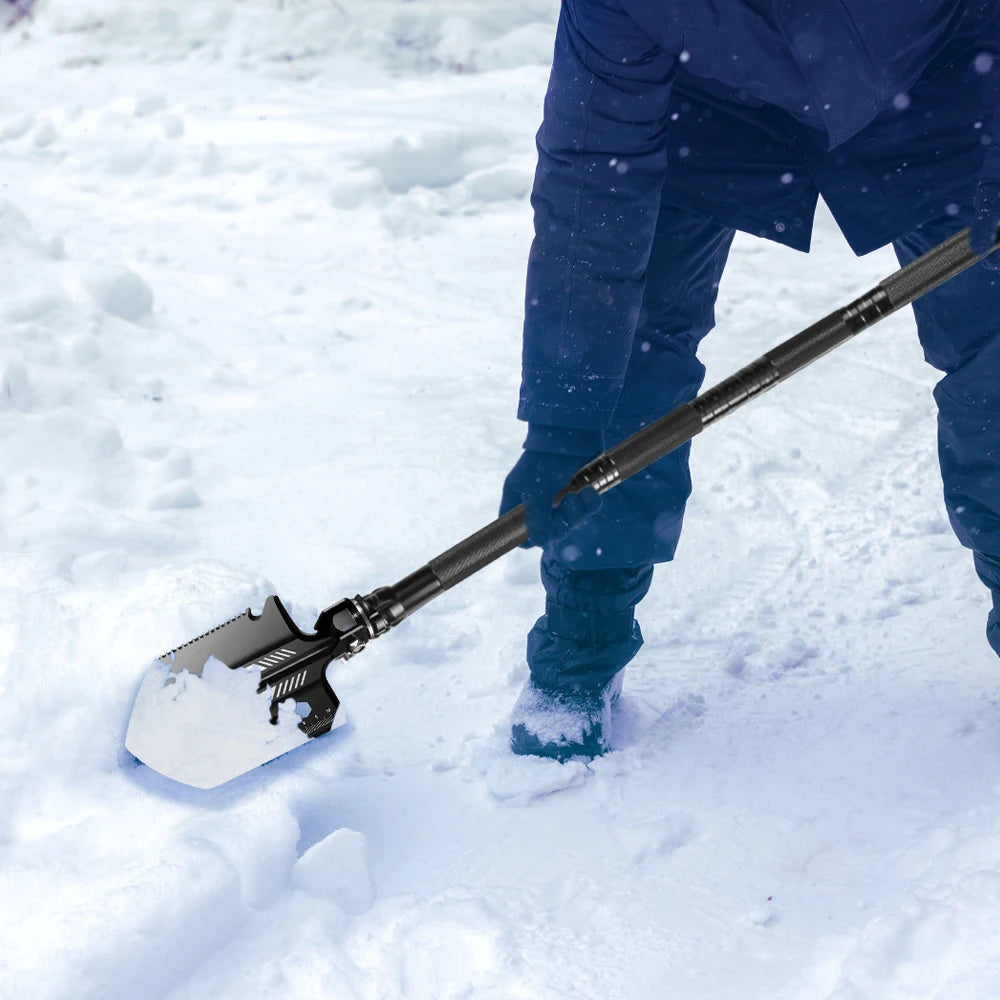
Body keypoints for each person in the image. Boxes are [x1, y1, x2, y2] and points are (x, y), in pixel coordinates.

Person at [498, 0, 1000, 760]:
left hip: (942, 88)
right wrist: (565, 421)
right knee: (629, 349)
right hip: (713, 109)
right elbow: (590, 181)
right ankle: (584, 629)